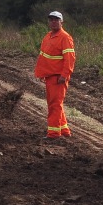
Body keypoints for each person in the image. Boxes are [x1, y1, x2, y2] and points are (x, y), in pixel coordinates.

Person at [34, 10, 76, 138]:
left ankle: (53, 133)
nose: (53, 22)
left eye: (56, 20)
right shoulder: (48, 36)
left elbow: (70, 58)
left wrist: (64, 75)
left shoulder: (65, 37)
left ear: (61, 22)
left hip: (58, 77)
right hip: (50, 76)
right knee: (55, 104)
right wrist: (41, 73)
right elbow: (44, 56)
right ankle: (64, 130)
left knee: (55, 105)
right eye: (51, 20)